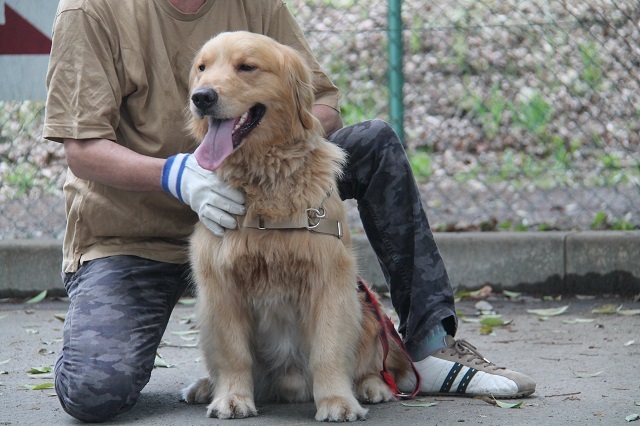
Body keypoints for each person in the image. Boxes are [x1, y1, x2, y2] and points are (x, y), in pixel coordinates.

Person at [43, 0, 535, 422]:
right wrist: (179, 176)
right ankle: (237, 371)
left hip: (264, 201)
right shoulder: (92, 10)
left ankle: (426, 346)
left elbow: (320, 103)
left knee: (374, 141)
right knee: (93, 391)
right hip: (138, 238)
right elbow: (82, 149)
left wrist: (285, 153)